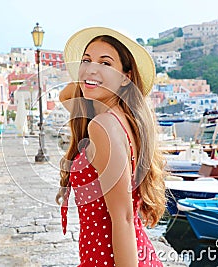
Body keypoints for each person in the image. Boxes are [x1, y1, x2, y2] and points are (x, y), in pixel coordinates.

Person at [56, 27, 166, 266]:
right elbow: (65, 97)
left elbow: (123, 218)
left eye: (106, 63)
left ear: (126, 77)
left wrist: (92, 75)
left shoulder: (103, 126)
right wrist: (93, 75)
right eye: (86, 60)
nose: (92, 66)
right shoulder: (123, 120)